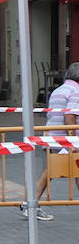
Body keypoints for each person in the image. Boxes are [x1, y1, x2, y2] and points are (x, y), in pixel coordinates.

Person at [30, 61, 79, 219]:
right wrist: (73, 141)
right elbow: (69, 117)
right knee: (49, 172)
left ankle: (30, 204)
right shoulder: (75, 91)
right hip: (65, 140)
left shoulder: (59, 90)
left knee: (50, 172)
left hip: (52, 136)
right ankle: (30, 204)